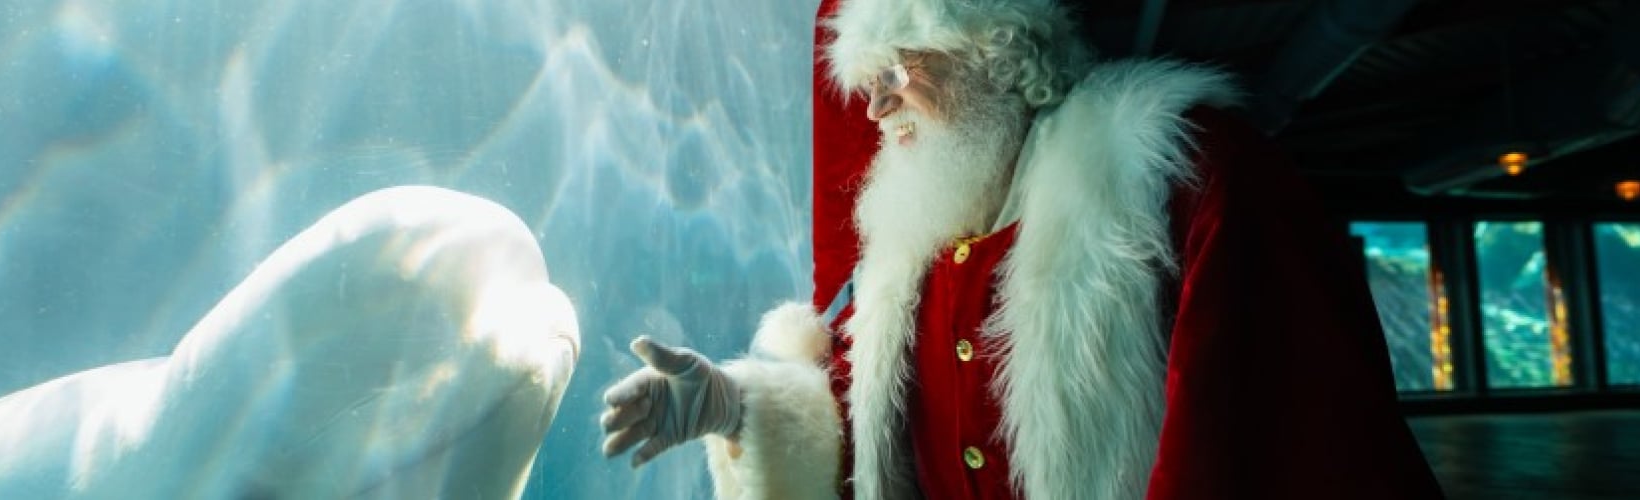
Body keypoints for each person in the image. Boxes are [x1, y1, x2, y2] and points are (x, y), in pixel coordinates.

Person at [599, 0, 1446, 498]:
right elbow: (875, 440)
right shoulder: (911, 253)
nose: (876, 111)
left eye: (897, 71)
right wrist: (737, 407)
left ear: (996, 50)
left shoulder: (1179, 176)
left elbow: (1284, 448)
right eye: (868, 85)